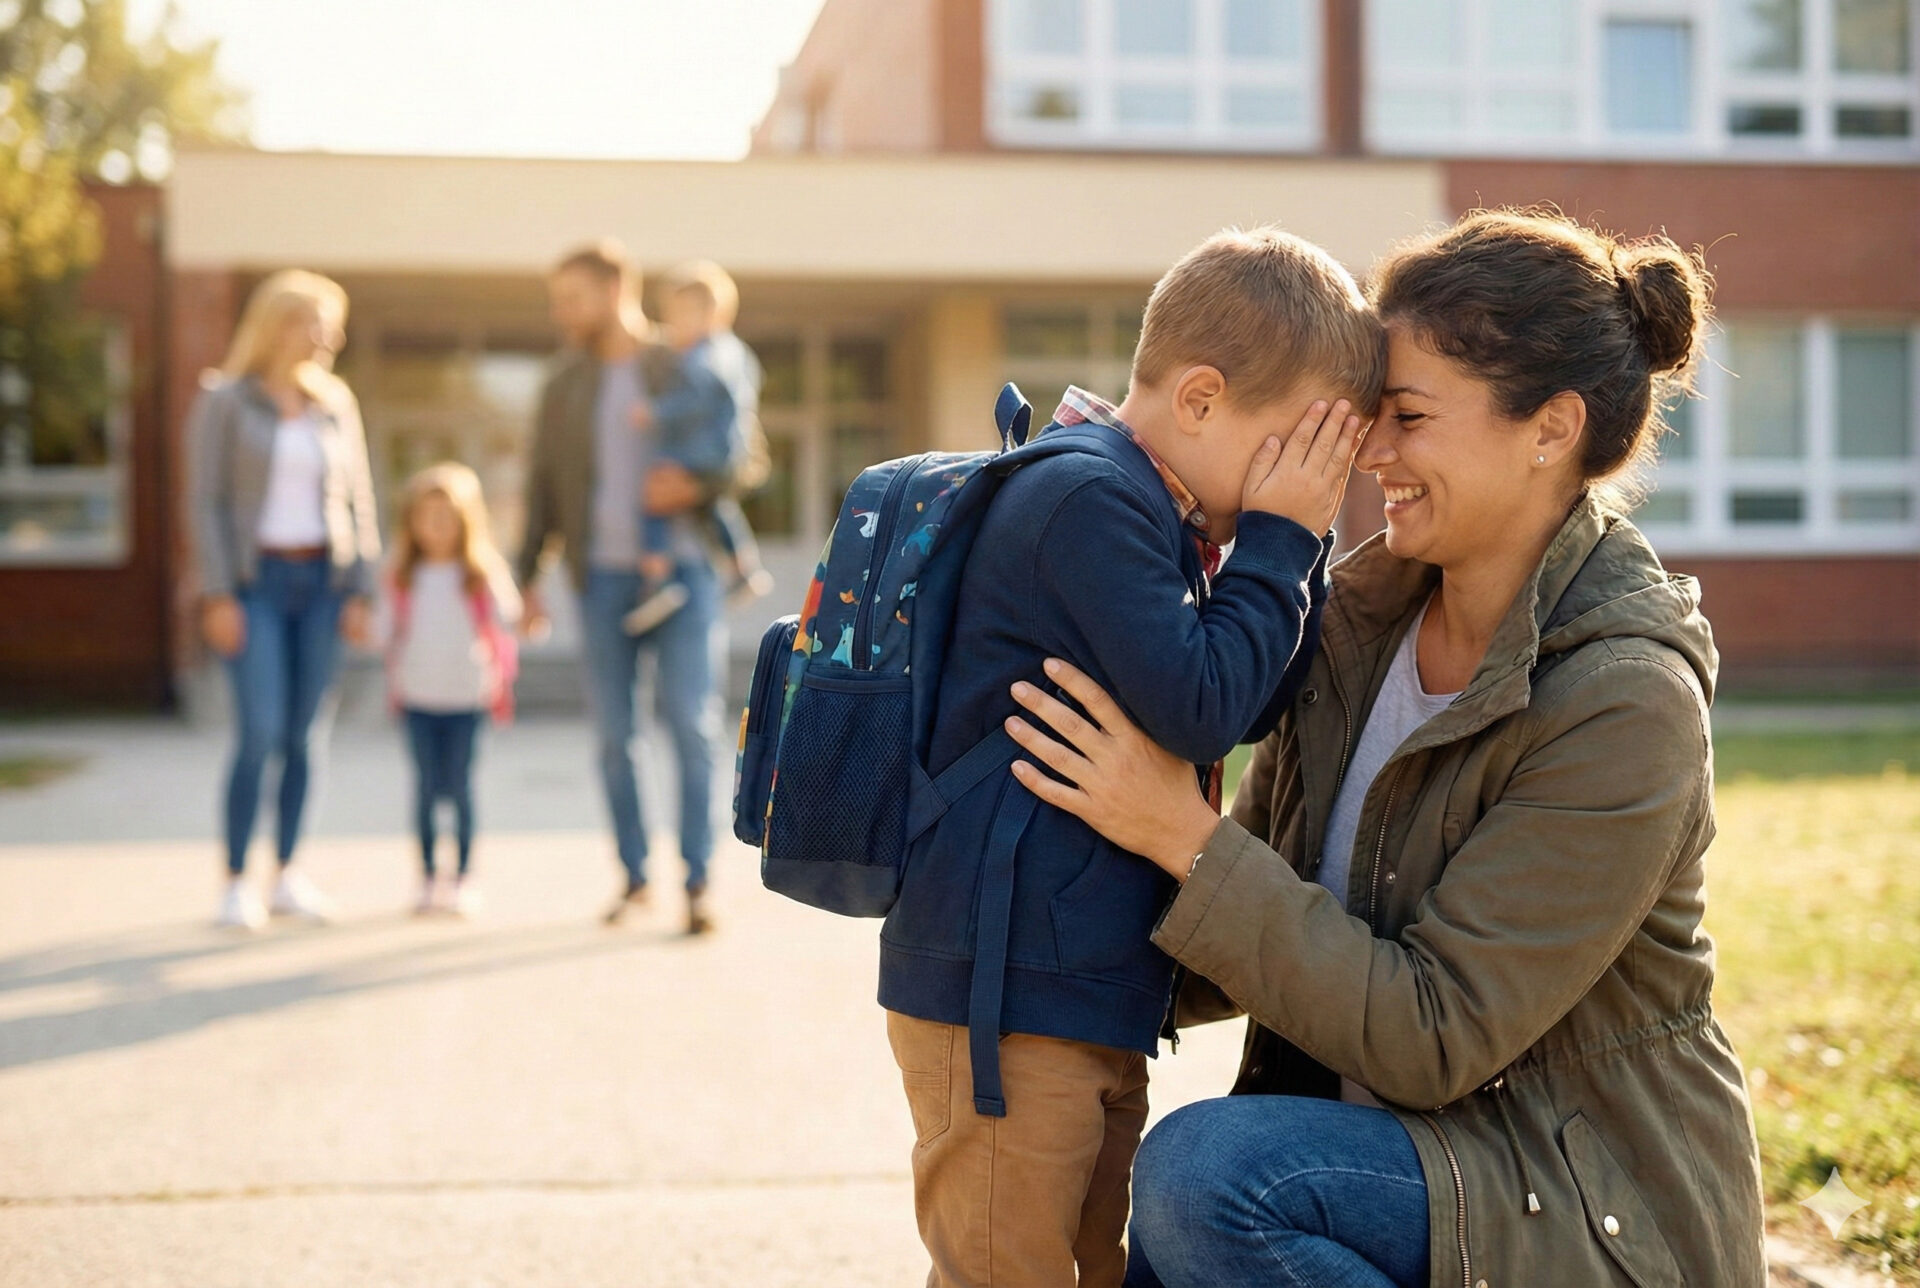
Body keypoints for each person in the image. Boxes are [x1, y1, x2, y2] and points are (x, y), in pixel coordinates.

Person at [1000, 210, 1768, 1288]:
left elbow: (1432, 1034)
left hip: (1576, 1209)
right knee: (1148, 1242)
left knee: (1207, 1179)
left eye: (1406, 417)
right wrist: (998, 929)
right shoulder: (1357, 622)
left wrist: (1180, 834)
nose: (1370, 452)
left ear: (1551, 429)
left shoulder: (1624, 700)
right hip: (1394, 1169)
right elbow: (1243, 930)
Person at [881, 227, 1383, 1288]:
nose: (1299, 483)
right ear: (1199, 398)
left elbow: (1250, 700)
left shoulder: (1159, 513)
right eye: (1290, 450)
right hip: (1005, 994)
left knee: (1086, 1264)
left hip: (1076, 984)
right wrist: (1280, 543)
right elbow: (1202, 709)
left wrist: (1300, 550)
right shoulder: (1087, 498)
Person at [517, 240, 732, 936]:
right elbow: (543, 483)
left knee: (692, 725)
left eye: (573, 298)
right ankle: (636, 877)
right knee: (616, 736)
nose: (562, 313)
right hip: (601, 577)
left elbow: (746, 450)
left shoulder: (681, 360)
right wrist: (527, 577)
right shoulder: (563, 383)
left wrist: (696, 483)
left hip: (683, 572)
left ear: (615, 291)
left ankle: (698, 882)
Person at [186, 269, 381, 931]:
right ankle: (236, 879)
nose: (332, 339)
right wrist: (217, 593)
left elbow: (359, 500)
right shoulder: (225, 401)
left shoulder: (336, 404)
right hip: (254, 586)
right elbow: (205, 504)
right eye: (320, 325)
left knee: (305, 736)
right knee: (260, 731)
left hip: (324, 584)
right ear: (279, 326)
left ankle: (288, 873)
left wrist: (362, 589)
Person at [382, 463, 521, 917]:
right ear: (412, 522)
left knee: (461, 788)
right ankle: (427, 876)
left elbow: (509, 619)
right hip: (418, 698)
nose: (437, 527)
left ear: (466, 521)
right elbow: (383, 630)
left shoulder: (480, 574)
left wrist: (527, 616)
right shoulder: (402, 576)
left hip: (468, 698)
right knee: (425, 789)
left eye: (447, 517)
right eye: (427, 517)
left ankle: (462, 876)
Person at [622, 259, 773, 636]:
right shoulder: (737, 352)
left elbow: (697, 398)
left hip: (698, 451)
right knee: (713, 507)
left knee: (655, 500)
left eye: (681, 314)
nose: (673, 324)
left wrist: (655, 411)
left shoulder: (705, 355)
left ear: (713, 314)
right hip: (724, 453)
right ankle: (743, 570)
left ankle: (657, 582)